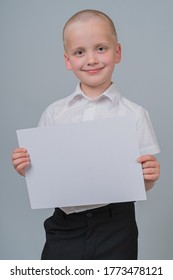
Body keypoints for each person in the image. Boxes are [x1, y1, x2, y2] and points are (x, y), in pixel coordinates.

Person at [12, 9, 160, 260]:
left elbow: (142, 181)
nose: (91, 59)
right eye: (80, 52)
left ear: (118, 53)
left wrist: (150, 177)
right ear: (68, 60)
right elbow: (42, 172)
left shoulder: (135, 114)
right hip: (65, 224)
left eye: (101, 48)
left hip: (116, 225)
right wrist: (25, 166)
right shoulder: (54, 113)